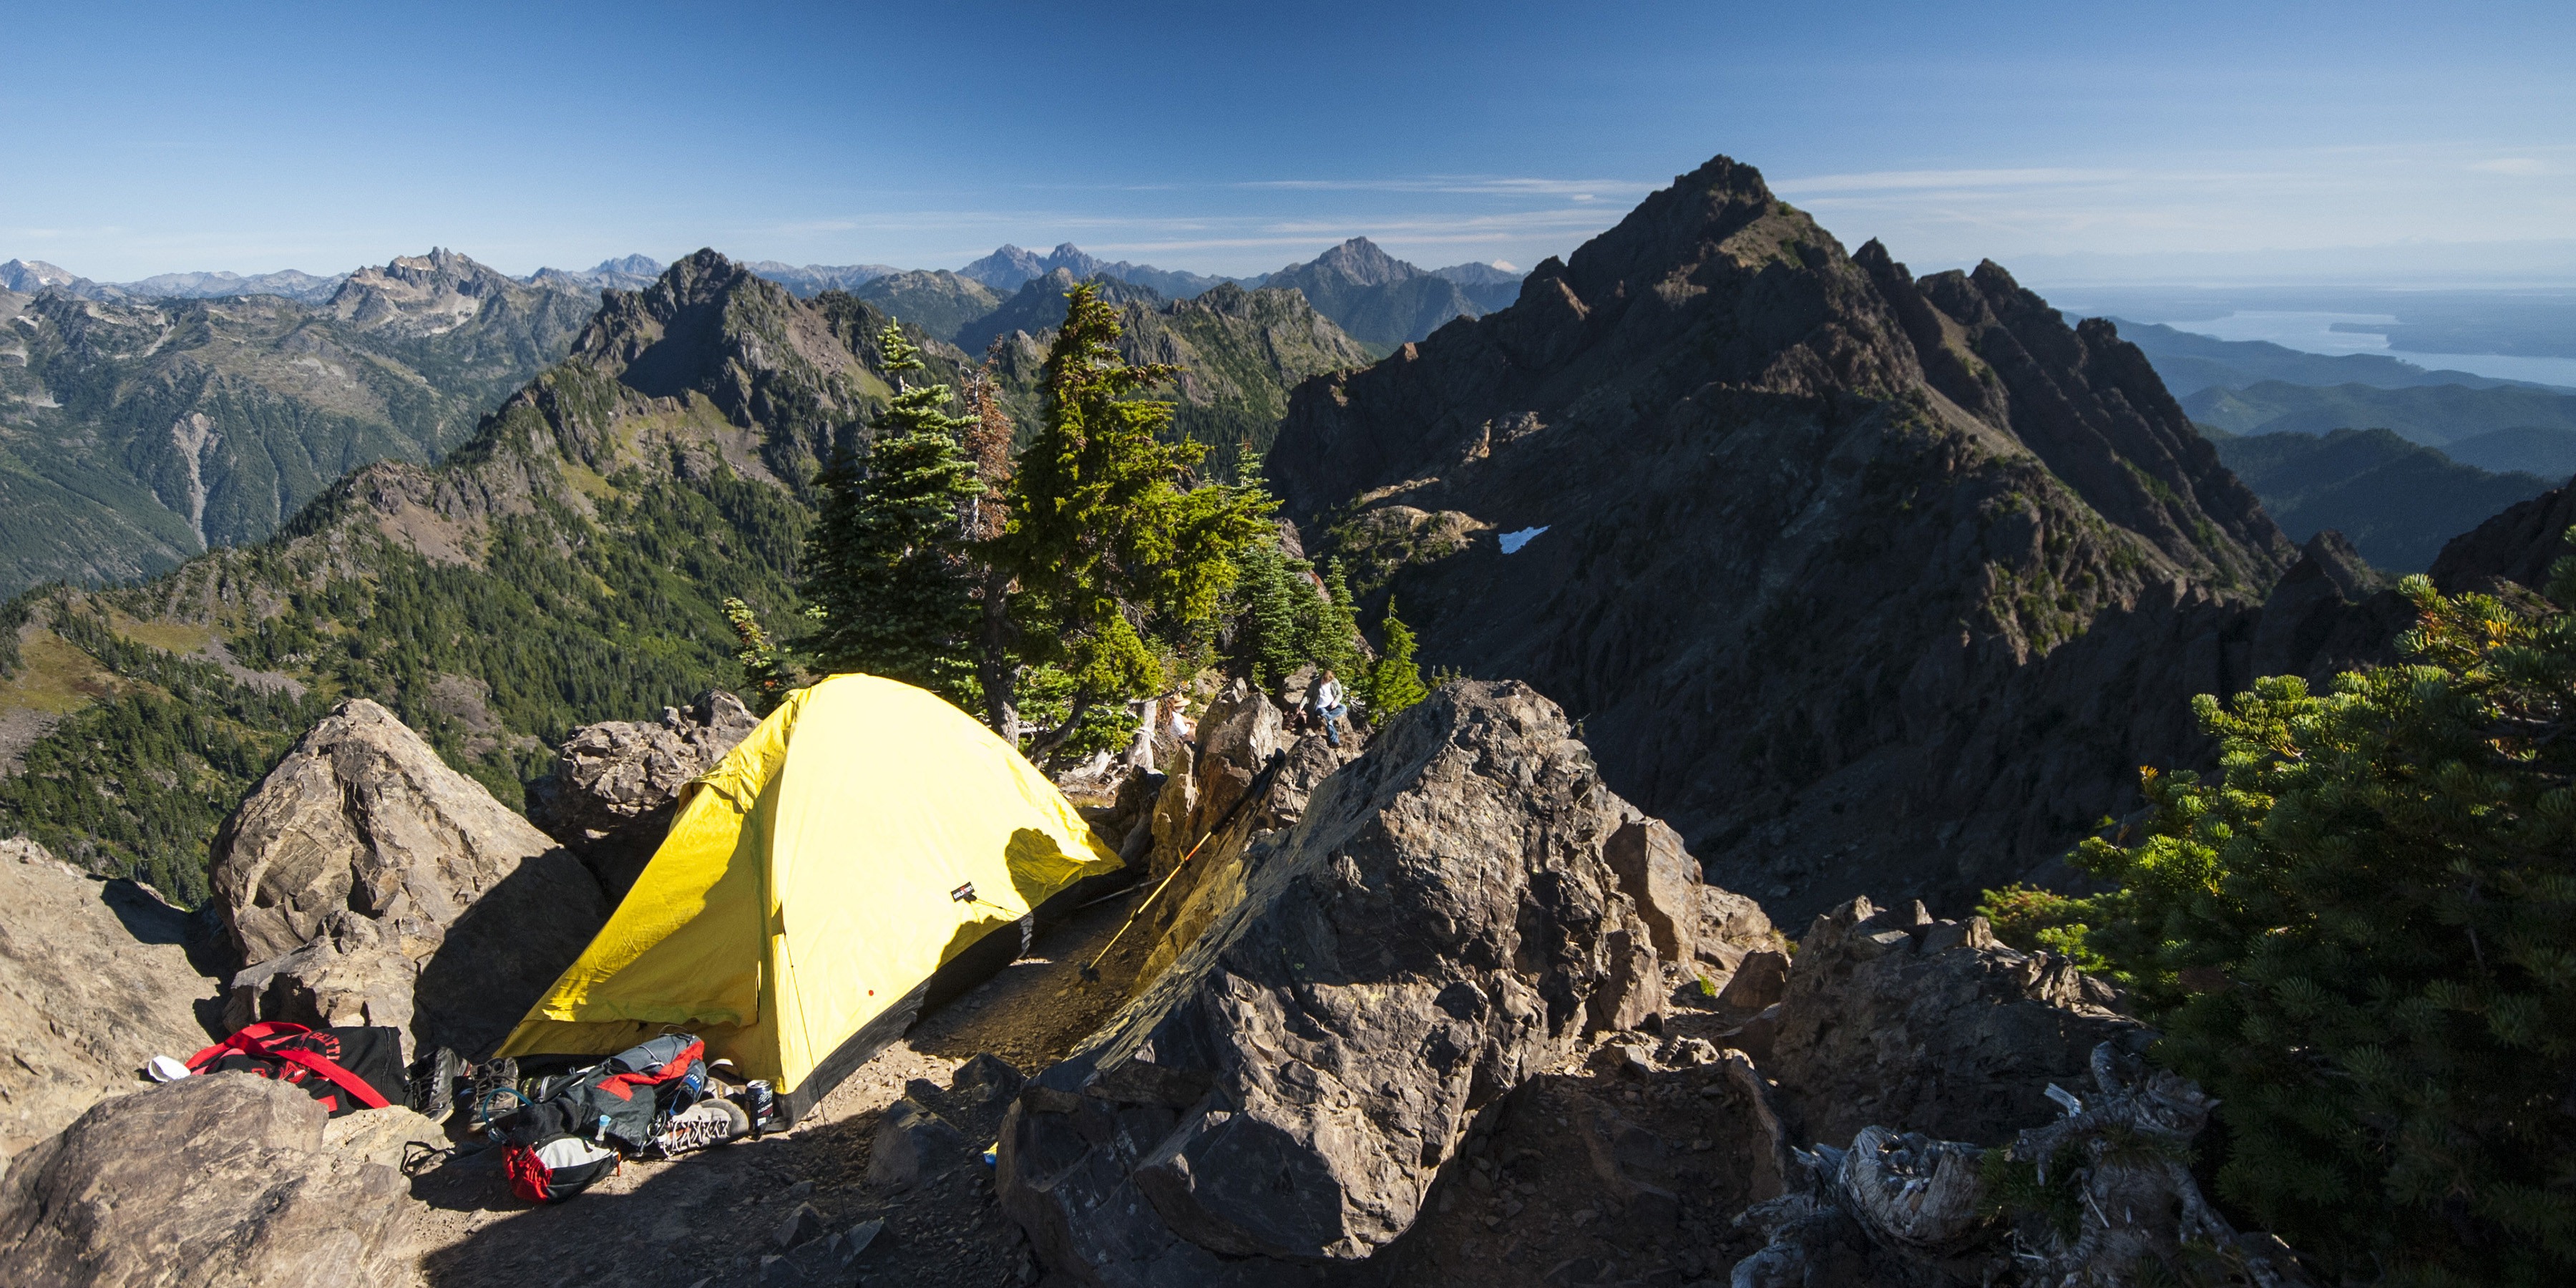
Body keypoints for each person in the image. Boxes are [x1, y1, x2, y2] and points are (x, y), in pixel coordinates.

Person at [1310, 668, 1347, 748]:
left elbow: (1339, 693)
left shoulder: (1335, 682)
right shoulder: (1315, 683)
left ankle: (1326, 718)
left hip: (1331, 704)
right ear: (1322, 676)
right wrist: (1301, 706)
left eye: (1328, 681)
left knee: (1343, 708)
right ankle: (1335, 742)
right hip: (1320, 707)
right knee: (1329, 722)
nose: (1325, 682)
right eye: (1324, 680)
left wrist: (1336, 701)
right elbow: (1307, 695)